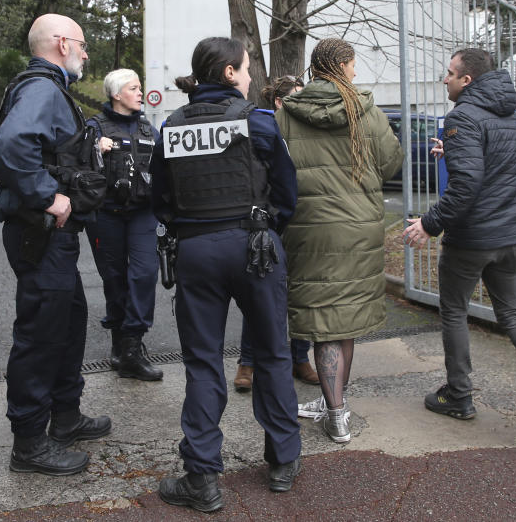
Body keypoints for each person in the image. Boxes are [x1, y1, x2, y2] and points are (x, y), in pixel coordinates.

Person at [150, 37, 302, 512]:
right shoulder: (258, 121)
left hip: (196, 252)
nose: (252, 75)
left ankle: (201, 479)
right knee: (274, 354)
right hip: (255, 248)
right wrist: (264, 228)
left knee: (202, 362)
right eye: (247, 67)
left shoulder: (170, 127)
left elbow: (161, 200)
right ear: (230, 74)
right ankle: (281, 463)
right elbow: (287, 191)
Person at [402, 47, 516, 448]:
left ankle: (458, 396)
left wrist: (428, 225)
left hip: (473, 239)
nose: (444, 79)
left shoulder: (461, 116)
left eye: (450, 73)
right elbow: (498, 164)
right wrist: (455, 151)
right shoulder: (509, 116)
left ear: (467, 80)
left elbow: (464, 188)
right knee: (513, 312)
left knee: (454, 311)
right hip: (512, 235)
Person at [0, 14, 110, 476]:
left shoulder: (46, 87)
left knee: (69, 318)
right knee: (42, 334)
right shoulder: (42, 88)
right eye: (80, 44)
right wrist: (49, 197)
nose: (84, 52)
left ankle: (65, 416)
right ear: (61, 44)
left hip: (48, 234)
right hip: (38, 230)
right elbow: (14, 145)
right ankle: (29, 444)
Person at [276, 38, 403, 444]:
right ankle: (337, 408)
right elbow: (391, 163)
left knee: (326, 321)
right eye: (352, 64)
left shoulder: (288, 114)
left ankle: (335, 407)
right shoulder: (366, 111)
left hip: (309, 229)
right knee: (342, 319)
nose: (355, 71)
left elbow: (274, 171)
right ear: (343, 65)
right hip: (360, 228)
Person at [233, 75, 320, 392]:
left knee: (301, 293)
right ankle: (248, 361)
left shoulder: (311, 132)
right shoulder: (263, 126)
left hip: (303, 220)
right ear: (280, 102)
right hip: (268, 221)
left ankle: (300, 358)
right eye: (298, 97)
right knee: (259, 293)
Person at [85, 69, 163, 382]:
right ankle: (120, 342)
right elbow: (75, 163)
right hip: (106, 213)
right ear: (117, 94)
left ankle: (132, 343)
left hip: (143, 213)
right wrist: (94, 150)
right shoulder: (95, 126)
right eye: (134, 88)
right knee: (114, 279)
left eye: (139, 87)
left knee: (144, 273)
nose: (140, 92)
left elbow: (164, 167)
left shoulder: (148, 128)